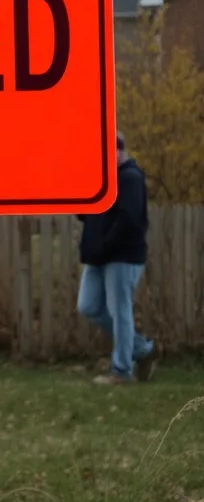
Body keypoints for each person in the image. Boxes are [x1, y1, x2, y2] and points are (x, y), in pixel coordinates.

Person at [79, 132, 155, 385]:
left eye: (108, 152)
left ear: (118, 151)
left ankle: (122, 371)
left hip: (123, 256)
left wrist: (105, 244)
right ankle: (142, 349)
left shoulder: (130, 178)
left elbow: (130, 219)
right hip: (97, 256)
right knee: (88, 306)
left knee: (120, 312)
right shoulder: (99, 179)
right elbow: (86, 214)